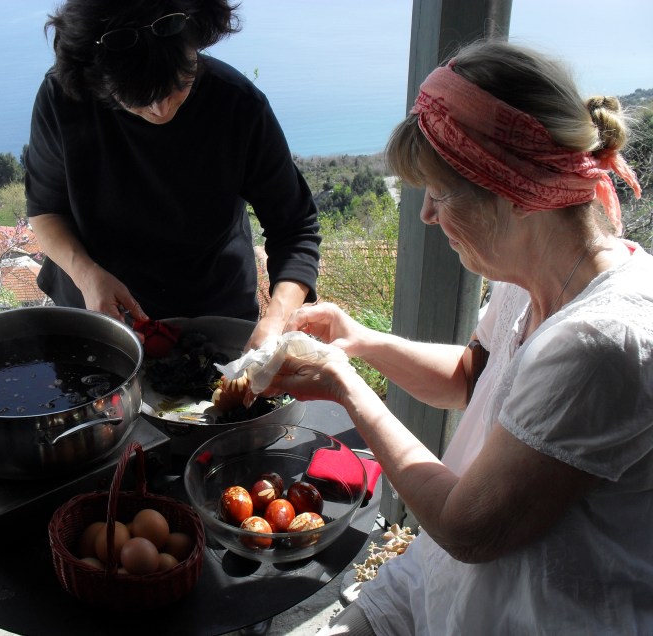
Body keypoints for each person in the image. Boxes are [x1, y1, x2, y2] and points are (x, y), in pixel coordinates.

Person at [256, 40, 652, 634]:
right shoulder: (530, 277)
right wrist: (360, 340)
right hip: (440, 586)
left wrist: (346, 387)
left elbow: (468, 528)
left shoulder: (603, 341)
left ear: (516, 193)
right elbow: (472, 378)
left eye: (439, 195)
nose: (426, 215)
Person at [23, 0, 321, 350]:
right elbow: (46, 209)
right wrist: (86, 275)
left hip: (213, 311)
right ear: (100, 82)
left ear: (194, 46)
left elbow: (295, 228)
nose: (160, 109)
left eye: (178, 85)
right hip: (98, 309)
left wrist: (276, 321)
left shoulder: (238, 106)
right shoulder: (65, 99)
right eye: (137, 98)